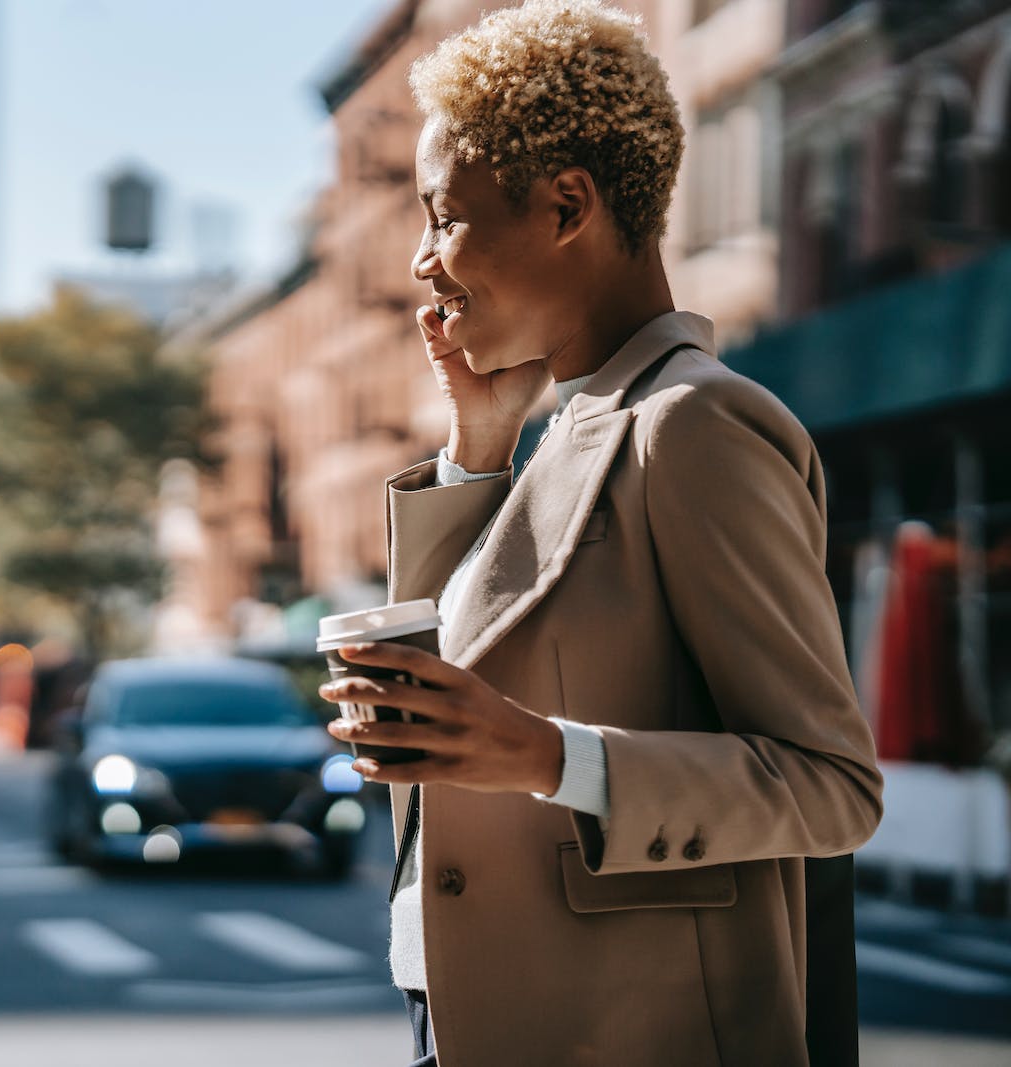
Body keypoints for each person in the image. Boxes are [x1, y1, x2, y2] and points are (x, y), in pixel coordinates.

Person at [315, 3, 883, 1064]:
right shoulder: (574, 427)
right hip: (470, 1016)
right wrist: (478, 448)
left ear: (566, 204)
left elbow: (830, 785)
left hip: (626, 1031)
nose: (419, 259)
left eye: (443, 216)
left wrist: (541, 754)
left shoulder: (695, 423)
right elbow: (471, 672)